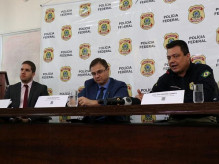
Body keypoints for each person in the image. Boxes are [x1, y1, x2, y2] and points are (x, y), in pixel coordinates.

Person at [136, 40, 219, 122]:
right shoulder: (166, 77)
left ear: (187, 56)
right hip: (176, 121)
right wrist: (143, 98)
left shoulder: (202, 71)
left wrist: (169, 98)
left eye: (176, 56)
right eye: (169, 58)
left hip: (202, 119)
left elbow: (204, 98)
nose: (171, 61)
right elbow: (154, 96)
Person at [78, 58, 129, 123]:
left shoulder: (119, 85)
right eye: (94, 73)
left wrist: (94, 102)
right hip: (91, 126)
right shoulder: (89, 85)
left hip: (113, 125)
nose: (96, 76)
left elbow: (117, 102)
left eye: (99, 72)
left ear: (107, 70)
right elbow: (78, 100)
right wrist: (75, 102)